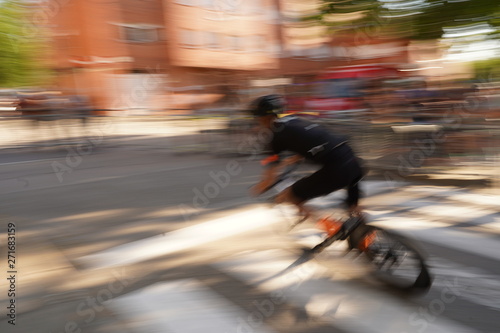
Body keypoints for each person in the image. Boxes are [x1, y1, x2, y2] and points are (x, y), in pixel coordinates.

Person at [250, 94, 365, 226]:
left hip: (337, 169)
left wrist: (258, 189)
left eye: (258, 118)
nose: (257, 122)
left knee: (290, 196)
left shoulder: (273, 136)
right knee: (354, 210)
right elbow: (313, 140)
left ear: (265, 117)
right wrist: (292, 159)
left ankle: (333, 230)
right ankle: (368, 237)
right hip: (352, 161)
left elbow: (270, 178)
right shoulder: (294, 120)